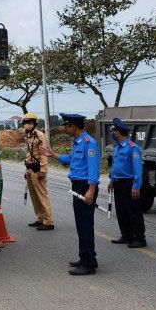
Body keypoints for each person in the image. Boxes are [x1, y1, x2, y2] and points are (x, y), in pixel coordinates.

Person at [42, 113, 101, 276]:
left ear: (73, 127)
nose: (64, 128)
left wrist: (91, 190)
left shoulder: (89, 143)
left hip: (85, 187)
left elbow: (93, 169)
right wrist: (53, 155)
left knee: (85, 226)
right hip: (78, 186)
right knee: (81, 225)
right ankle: (87, 258)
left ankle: (88, 265)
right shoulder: (78, 142)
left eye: (66, 125)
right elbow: (70, 159)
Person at [108, 117, 146, 248]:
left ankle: (140, 238)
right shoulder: (118, 147)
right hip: (118, 183)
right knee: (121, 211)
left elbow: (138, 170)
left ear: (118, 132)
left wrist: (136, 187)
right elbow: (115, 166)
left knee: (133, 211)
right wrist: (111, 181)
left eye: (114, 131)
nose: (113, 133)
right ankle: (126, 235)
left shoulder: (133, 148)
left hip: (129, 183)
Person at [23, 113, 54, 231]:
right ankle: (40, 218)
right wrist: (26, 170)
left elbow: (43, 154)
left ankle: (48, 221)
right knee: (34, 196)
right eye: (25, 123)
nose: (27, 125)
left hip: (38, 170)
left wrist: (43, 170)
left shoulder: (40, 136)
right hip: (30, 169)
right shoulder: (29, 136)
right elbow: (29, 153)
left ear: (34, 123)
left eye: (29, 122)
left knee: (42, 195)